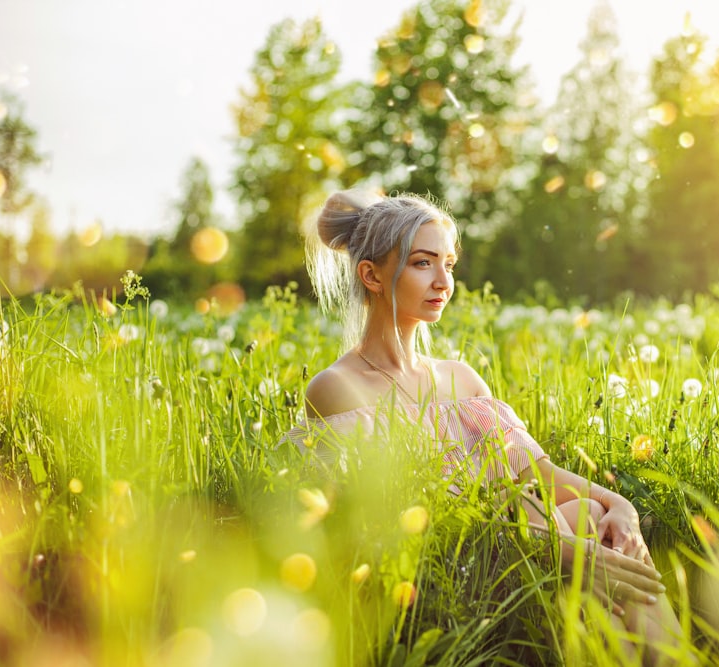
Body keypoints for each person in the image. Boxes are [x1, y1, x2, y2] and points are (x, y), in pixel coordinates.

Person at [283, 188, 685, 663]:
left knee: (598, 520)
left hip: (531, 544)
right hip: (455, 577)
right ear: (371, 274)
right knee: (554, 521)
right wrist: (562, 551)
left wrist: (621, 506)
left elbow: (541, 476)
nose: (442, 282)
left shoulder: (461, 380)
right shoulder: (337, 388)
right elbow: (402, 519)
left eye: (448, 265)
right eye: (422, 263)